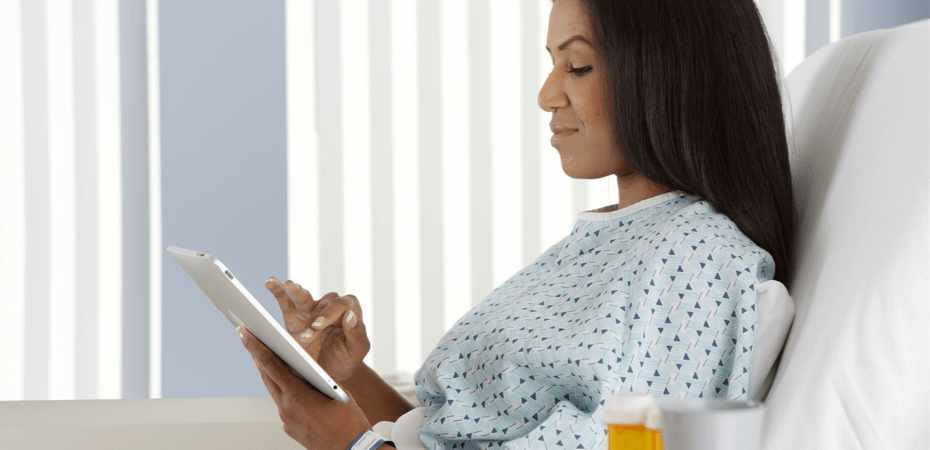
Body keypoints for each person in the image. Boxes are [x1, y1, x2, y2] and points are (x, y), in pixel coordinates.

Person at [237, 0, 797, 448]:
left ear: (667, 73)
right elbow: (450, 434)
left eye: (578, 66)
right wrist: (350, 378)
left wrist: (349, 443)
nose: (547, 95)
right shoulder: (614, 238)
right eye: (553, 64)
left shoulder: (696, 260)